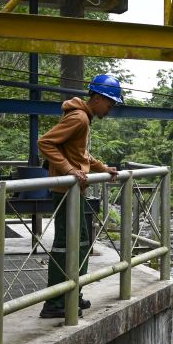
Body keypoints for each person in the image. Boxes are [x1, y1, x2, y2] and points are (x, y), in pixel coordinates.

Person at [37, 74, 123, 318]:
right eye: (110, 103)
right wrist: (68, 170)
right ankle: (55, 302)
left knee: (81, 243)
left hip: (74, 191)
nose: (111, 109)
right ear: (97, 98)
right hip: (66, 191)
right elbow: (45, 142)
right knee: (66, 244)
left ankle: (73, 291)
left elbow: (81, 154)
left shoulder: (83, 118)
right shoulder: (79, 118)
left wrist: (102, 168)